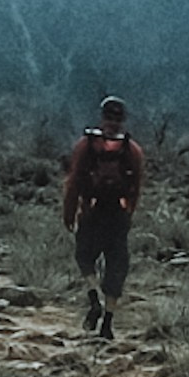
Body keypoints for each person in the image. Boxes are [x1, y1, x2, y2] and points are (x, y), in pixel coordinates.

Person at [63, 95, 144, 339]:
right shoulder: (132, 150)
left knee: (84, 256)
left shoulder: (86, 145)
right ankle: (107, 325)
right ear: (123, 120)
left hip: (92, 211)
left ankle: (93, 295)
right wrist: (129, 213)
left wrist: (70, 212)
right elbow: (136, 186)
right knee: (116, 266)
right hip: (117, 215)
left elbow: (73, 181)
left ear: (102, 118)